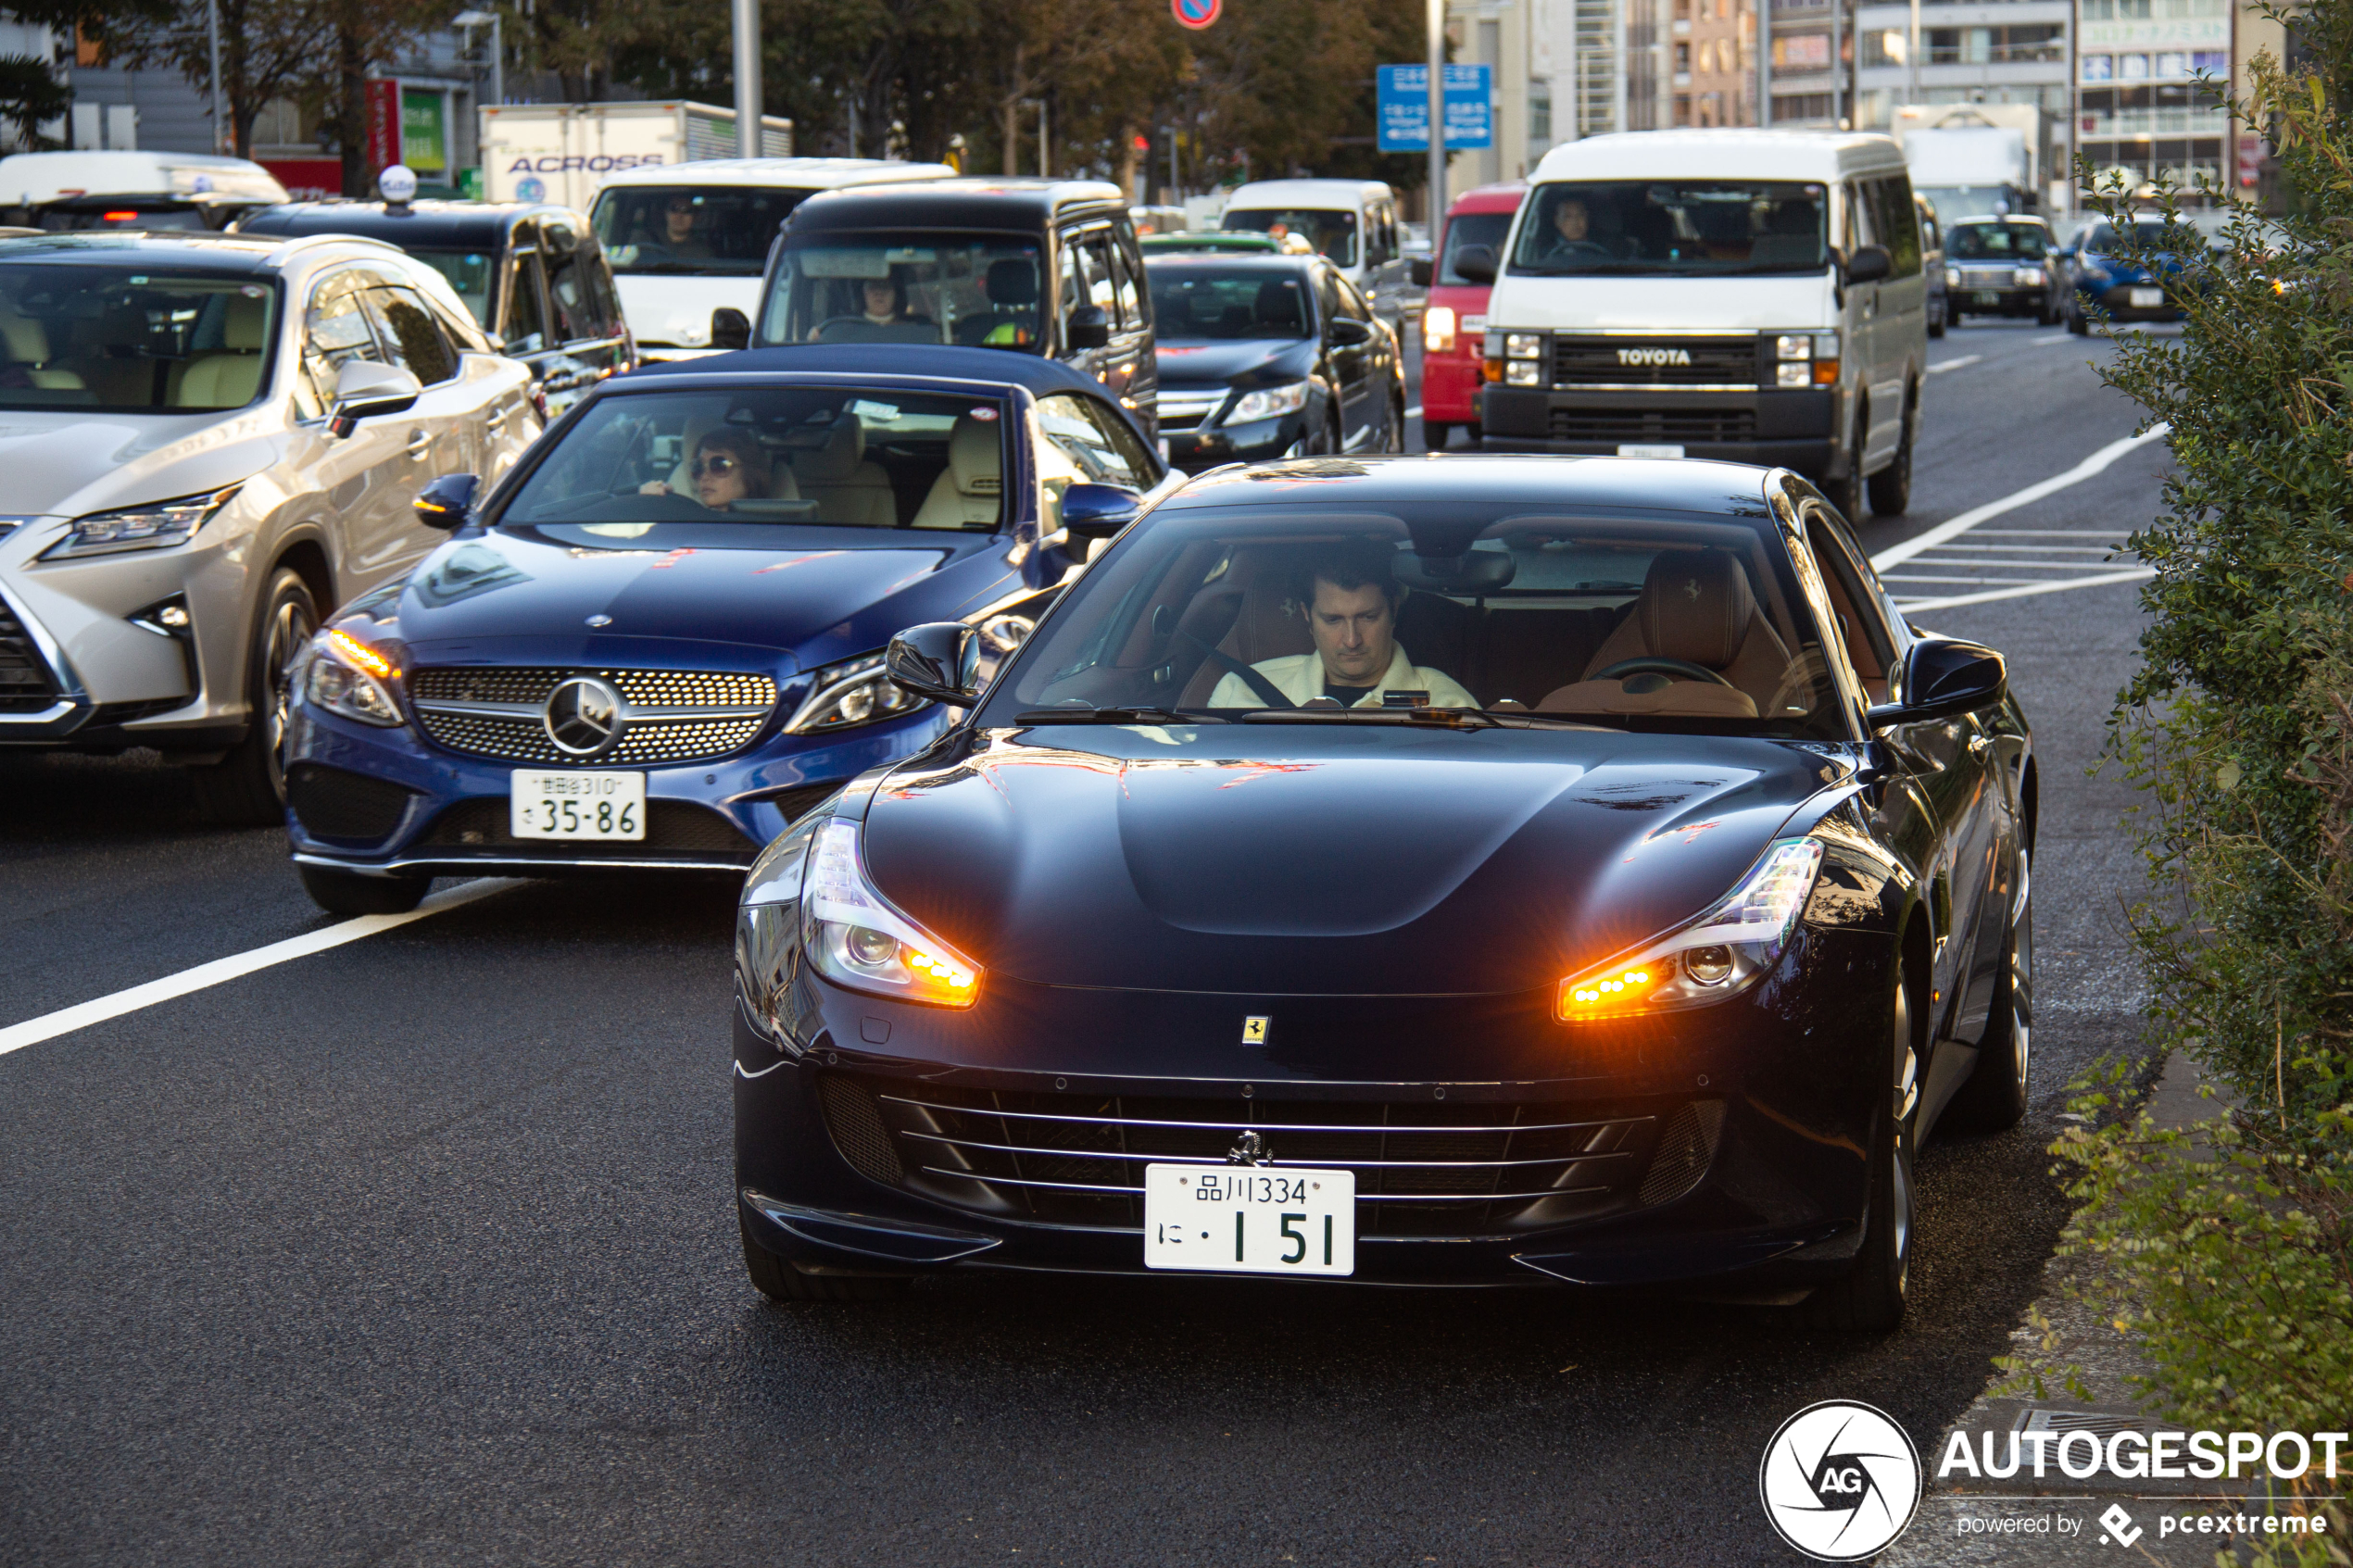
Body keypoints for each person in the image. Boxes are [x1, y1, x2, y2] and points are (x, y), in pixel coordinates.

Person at [1207, 544, 1476, 709]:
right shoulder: (1242, 691)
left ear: (1394, 612)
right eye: (1333, 620)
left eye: (1367, 617)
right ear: (1307, 617)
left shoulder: (1447, 704)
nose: (1351, 640)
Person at [637, 428, 772, 510]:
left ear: (750, 473)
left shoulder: (771, 531)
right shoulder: (685, 523)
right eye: (698, 467)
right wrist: (650, 504)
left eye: (719, 466)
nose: (704, 477)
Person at [1540, 194, 1615, 262]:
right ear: (1557, 221)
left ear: (1587, 217)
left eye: (1580, 215)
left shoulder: (1604, 247)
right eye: (1567, 217)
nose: (1575, 222)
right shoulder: (1546, 254)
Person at [649, 194, 712, 261]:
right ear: (665, 213)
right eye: (674, 209)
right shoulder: (647, 240)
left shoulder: (702, 252)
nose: (679, 216)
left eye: (686, 211)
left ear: (695, 217)